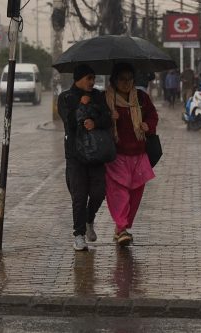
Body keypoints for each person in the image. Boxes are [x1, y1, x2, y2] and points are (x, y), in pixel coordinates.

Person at [58, 64, 112, 251]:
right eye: (89, 78)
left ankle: (89, 219)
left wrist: (95, 122)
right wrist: (82, 105)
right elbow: (69, 123)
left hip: (97, 154)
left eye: (93, 78)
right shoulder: (65, 98)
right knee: (79, 196)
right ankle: (79, 234)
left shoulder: (99, 96)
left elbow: (107, 119)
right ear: (78, 78)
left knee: (99, 192)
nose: (92, 82)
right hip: (75, 155)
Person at [104, 62, 158, 247]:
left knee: (135, 192)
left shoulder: (141, 98)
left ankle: (122, 227)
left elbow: (152, 115)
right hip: (116, 154)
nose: (126, 83)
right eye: (122, 79)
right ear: (114, 80)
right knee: (119, 192)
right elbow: (96, 118)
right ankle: (122, 227)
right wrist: (108, 118)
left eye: (129, 79)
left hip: (139, 153)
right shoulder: (106, 99)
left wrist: (148, 126)